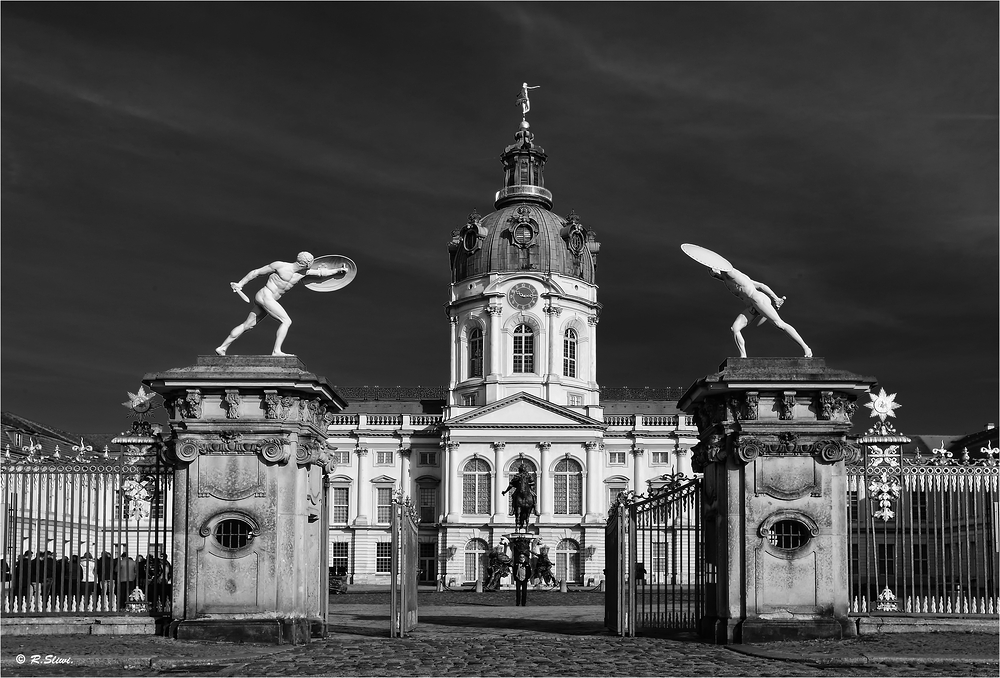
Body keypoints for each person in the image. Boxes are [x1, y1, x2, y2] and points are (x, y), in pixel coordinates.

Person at [215, 252, 348, 357]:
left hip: (269, 299)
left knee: (247, 325)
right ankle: (276, 351)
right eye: (311, 262)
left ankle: (222, 347)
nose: (312, 264)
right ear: (307, 262)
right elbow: (256, 272)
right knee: (286, 321)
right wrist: (240, 283)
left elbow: (321, 273)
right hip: (265, 295)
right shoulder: (280, 265)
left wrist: (338, 270)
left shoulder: (303, 273)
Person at [710, 266, 812, 358]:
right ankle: (743, 357)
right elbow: (761, 285)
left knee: (779, 324)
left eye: (711, 269)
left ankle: (806, 348)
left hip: (757, 299)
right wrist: (775, 298)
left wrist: (776, 298)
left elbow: (725, 267)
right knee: (735, 328)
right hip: (751, 306)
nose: (710, 272)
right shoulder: (728, 280)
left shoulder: (731, 273)